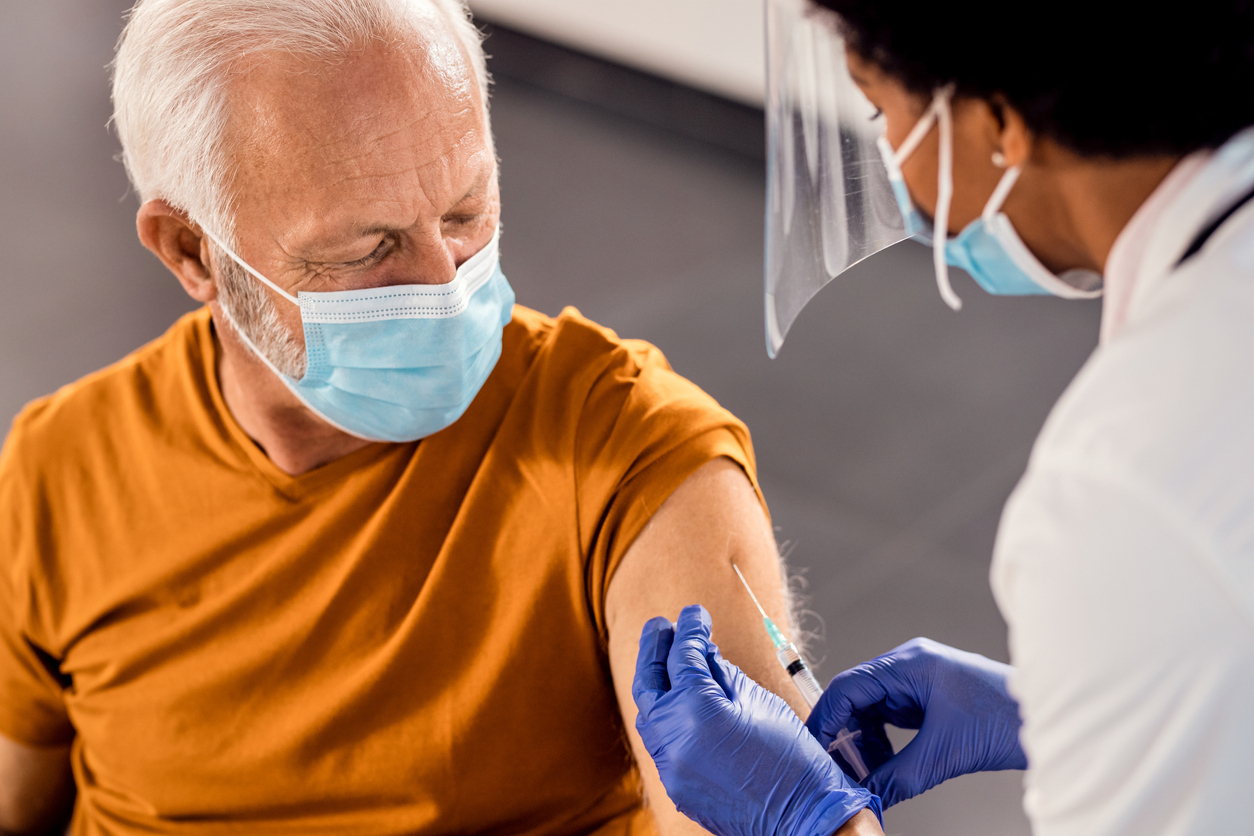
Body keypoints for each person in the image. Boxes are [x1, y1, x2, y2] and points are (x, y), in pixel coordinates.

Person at [0, 1, 824, 833]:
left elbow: (748, 812)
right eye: (368, 250)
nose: (445, 287)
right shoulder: (61, 466)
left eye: (465, 212)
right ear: (190, 250)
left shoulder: (629, 451)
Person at [632, 1, 1254, 835]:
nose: (890, 158)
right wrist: (1066, 705)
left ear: (1002, 120)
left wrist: (814, 821)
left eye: (881, 110)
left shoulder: (1125, 488)